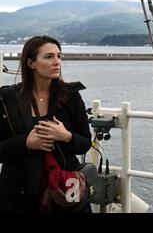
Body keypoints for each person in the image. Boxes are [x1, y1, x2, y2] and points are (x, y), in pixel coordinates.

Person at [0, 35, 92, 213]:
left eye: (59, 56)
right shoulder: (7, 98)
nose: (57, 62)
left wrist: (66, 136)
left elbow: (85, 143)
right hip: (18, 194)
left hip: (63, 191)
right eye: (48, 57)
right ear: (31, 63)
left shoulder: (71, 96)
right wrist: (25, 143)